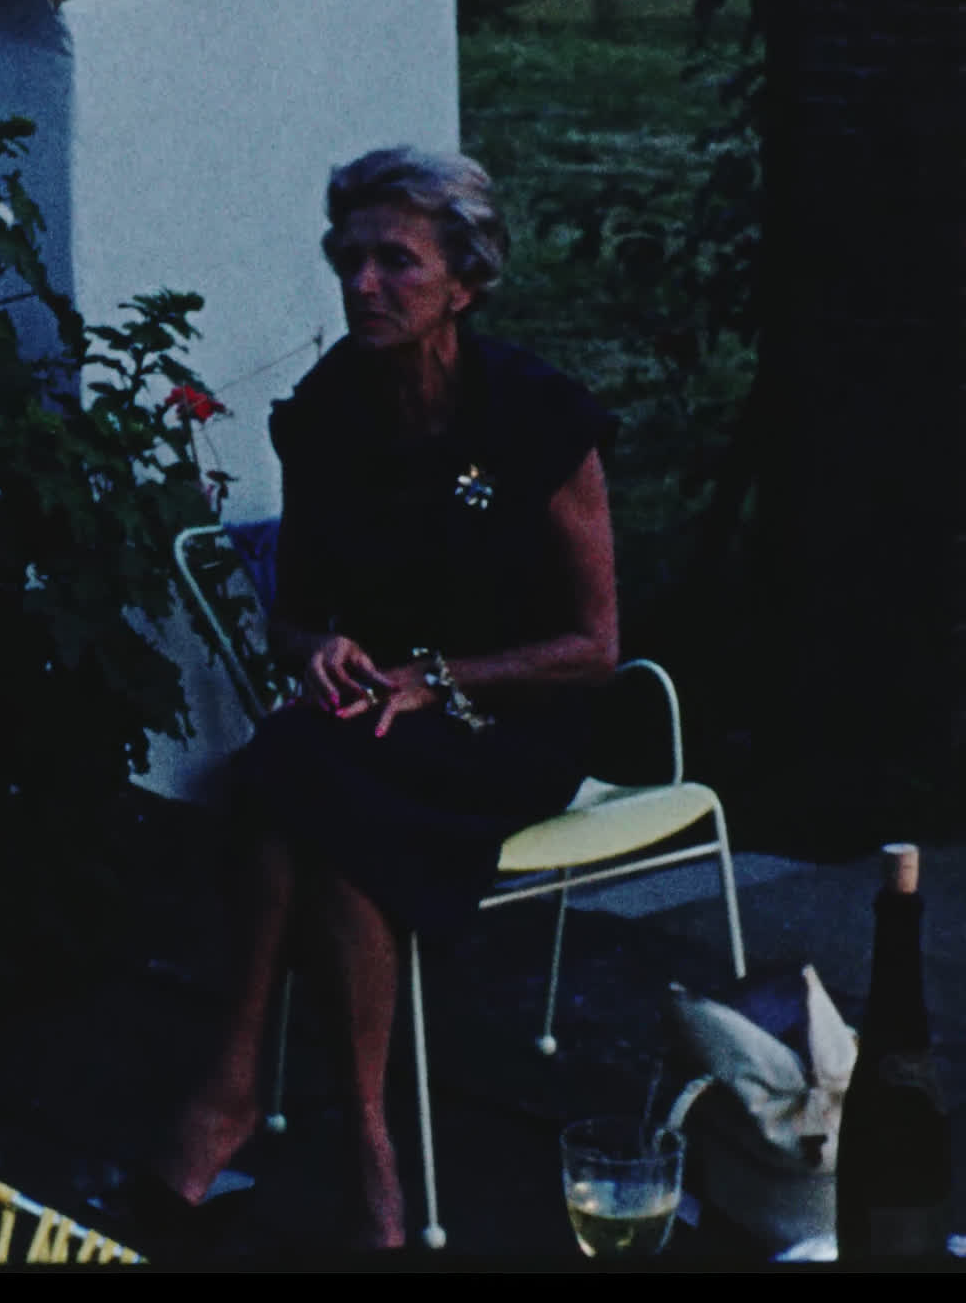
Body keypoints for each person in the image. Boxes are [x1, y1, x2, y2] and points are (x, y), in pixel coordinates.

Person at [146, 148, 620, 1253]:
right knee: (308, 774)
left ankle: (237, 1093)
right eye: (348, 259)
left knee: (294, 782)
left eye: (393, 262)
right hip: (371, 723)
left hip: (511, 720)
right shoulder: (323, 416)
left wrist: (436, 681)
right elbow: (294, 614)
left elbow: (593, 648)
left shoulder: (539, 421)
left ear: (463, 279)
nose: (361, 284)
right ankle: (363, 1132)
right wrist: (319, 649)